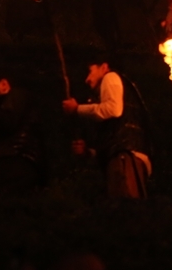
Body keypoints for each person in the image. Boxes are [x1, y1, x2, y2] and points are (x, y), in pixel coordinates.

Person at [61, 55, 150, 199]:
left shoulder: (110, 77)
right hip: (126, 155)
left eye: (90, 72)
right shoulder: (118, 88)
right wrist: (88, 152)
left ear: (103, 67)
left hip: (124, 156)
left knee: (126, 208)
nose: (87, 79)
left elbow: (113, 109)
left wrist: (77, 109)